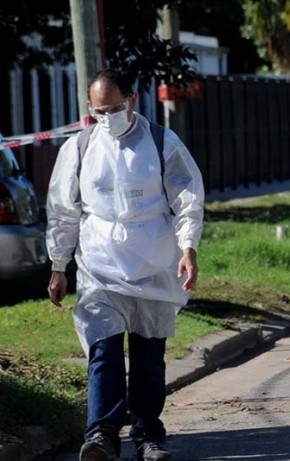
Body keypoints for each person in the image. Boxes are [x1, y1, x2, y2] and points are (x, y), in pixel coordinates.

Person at [46, 69, 205, 461]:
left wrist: (188, 248)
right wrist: (58, 264)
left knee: (149, 354)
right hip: (99, 264)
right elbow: (63, 211)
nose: (107, 117)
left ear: (132, 100)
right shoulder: (80, 148)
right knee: (104, 350)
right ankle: (101, 434)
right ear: (89, 108)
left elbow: (188, 199)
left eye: (114, 108)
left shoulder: (161, 142)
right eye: (98, 110)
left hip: (152, 262)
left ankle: (148, 435)